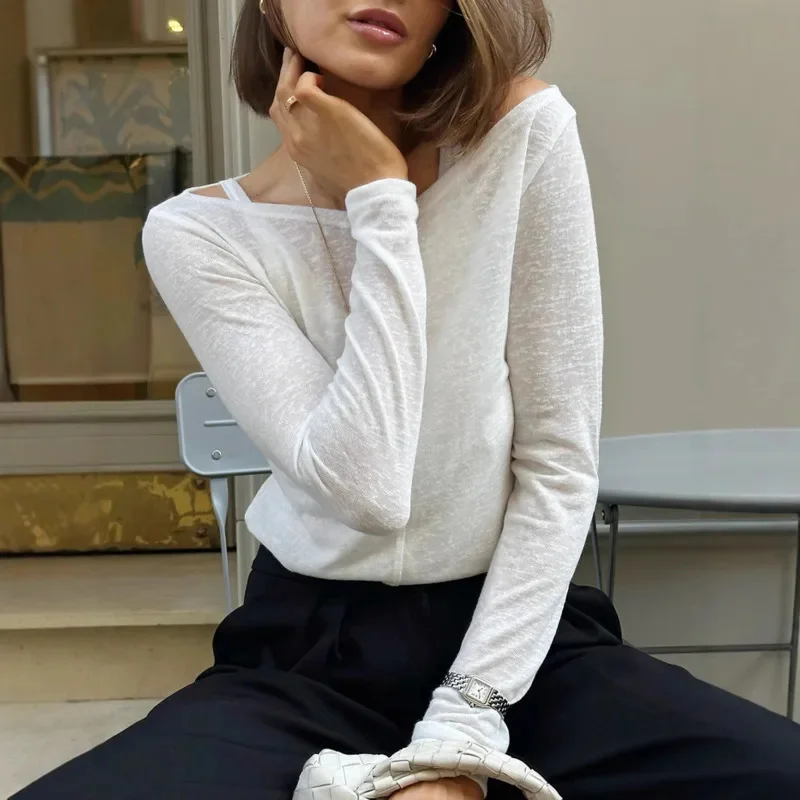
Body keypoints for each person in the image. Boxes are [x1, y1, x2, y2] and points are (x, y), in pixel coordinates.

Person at [16, 1, 800, 798]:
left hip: (519, 646)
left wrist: (463, 730)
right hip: (308, 659)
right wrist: (382, 203)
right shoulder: (198, 234)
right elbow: (368, 490)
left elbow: (559, 467)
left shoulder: (525, 135)